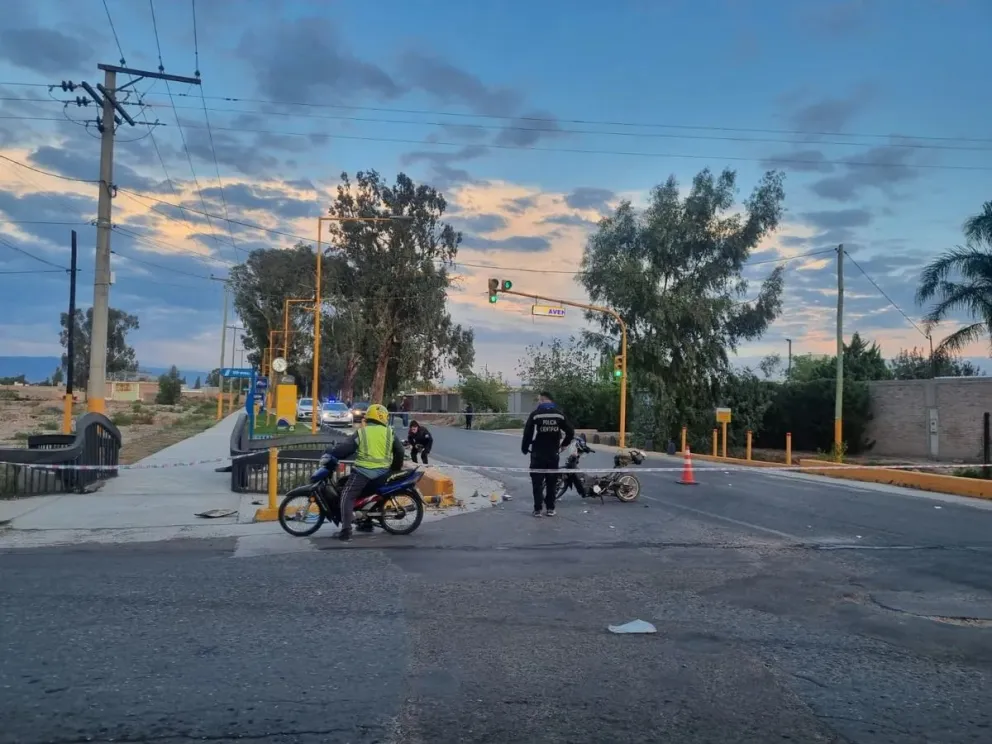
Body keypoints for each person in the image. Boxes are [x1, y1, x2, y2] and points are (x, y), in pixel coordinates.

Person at [320, 403, 405, 542]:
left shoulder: (362, 432)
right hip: (383, 473)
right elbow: (400, 451)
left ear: (369, 417)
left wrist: (332, 452)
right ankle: (366, 522)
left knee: (346, 496)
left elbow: (346, 449)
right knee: (354, 488)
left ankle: (346, 531)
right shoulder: (389, 432)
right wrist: (395, 469)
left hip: (364, 472)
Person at [521, 391, 574, 518]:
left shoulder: (535, 414)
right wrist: (564, 445)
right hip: (553, 454)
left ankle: (538, 509)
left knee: (537, 482)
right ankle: (550, 508)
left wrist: (525, 448)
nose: (539, 402)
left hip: (537, 453)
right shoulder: (559, 415)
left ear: (545, 400)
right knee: (551, 482)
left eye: (540, 400)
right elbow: (570, 432)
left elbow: (527, 433)